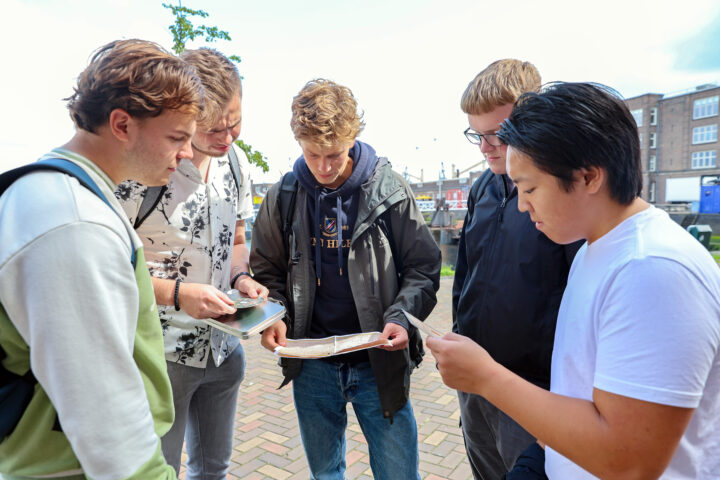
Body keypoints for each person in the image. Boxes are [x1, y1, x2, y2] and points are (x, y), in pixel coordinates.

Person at [428, 82, 720, 479]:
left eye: (529, 188)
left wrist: (487, 377)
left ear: (588, 177)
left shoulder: (653, 270)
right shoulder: (593, 250)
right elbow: (581, 394)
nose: (521, 204)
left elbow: (631, 462)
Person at [0, 39, 203, 479]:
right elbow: (107, 422)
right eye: (176, 137)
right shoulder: (75, 224)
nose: (187, 154)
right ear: (122, 124)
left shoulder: (56, 195)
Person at [251, 78, 441, 480]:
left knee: (398, 474)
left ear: (353, 138)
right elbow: (267, 271)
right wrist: (274, 317)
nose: (323, 167)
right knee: (326, 473)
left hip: (378, 361)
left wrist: (403, 317)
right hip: (312, 363)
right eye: (312, 154)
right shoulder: (284, 195)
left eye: (334, 154)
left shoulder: (389, 190)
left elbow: (424, 267)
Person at [115, 47, 268, 479]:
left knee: (214, 468)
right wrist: (179, 295)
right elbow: (110, 266)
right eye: (215, 127)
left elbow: (238, 237)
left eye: (236, 122)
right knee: (158, 471)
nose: (228, 137)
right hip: (161, 353)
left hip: (224, 350)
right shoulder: (141, 169)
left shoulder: (235, 163)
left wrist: (241, 276)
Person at [452, 59, 580, 479]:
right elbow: (466, 274)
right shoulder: (482, 188)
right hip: (474, 382)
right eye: (477, 134)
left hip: (532, 390)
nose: (486, 146)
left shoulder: (561, 191)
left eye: (498, 133)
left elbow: (578, 297)